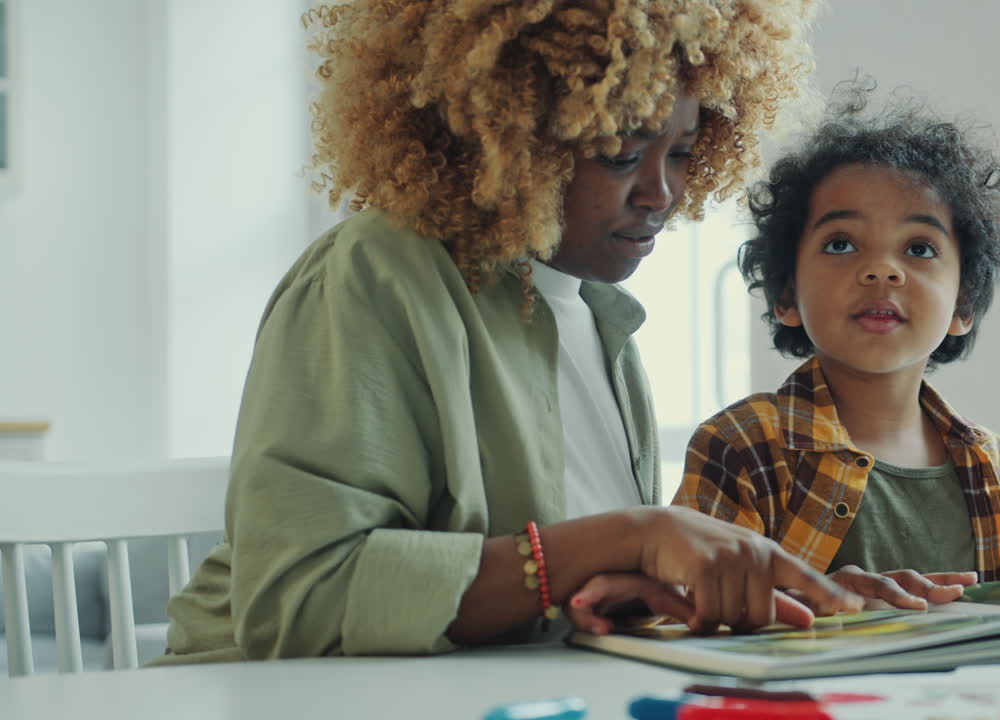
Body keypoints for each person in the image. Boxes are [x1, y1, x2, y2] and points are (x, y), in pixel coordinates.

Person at [151, 1, 954, 665]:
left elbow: (569, 600)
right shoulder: (378, 272)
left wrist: (820, 601)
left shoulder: (601, 322)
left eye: (680, 152)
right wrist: (636, 534)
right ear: (510, 135)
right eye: (621, 153)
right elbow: (301, 596)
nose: (660, 193)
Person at [672, 85, 1000, 594]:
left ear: (963, 306)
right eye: (841, 243)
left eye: (919, 248)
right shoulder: (743, 445)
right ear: (787, 294)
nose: (882, 269)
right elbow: (684, 610)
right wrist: (825, 606)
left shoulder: (990, 462)